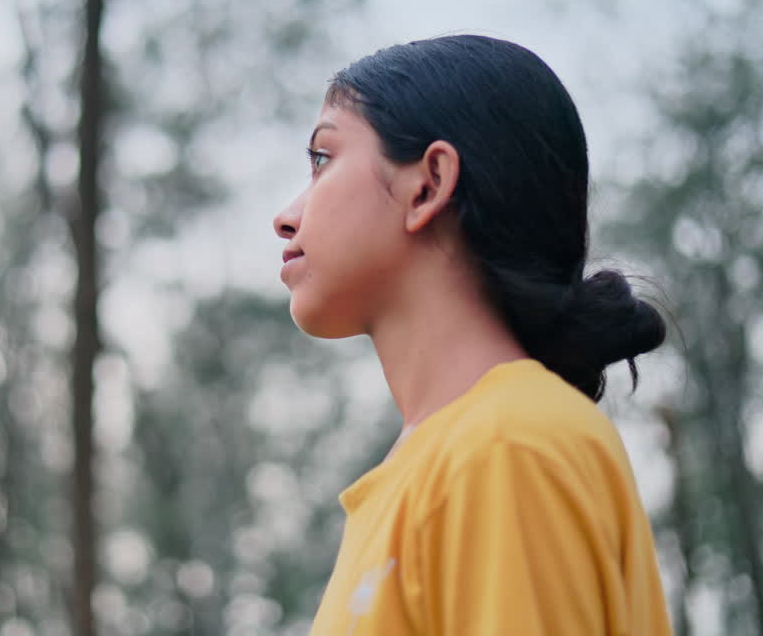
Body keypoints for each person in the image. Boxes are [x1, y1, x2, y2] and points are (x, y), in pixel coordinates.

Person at [273, 35, 674, 635]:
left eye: (323, 158)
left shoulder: (507, 447)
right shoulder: (452, 460)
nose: (285, 216)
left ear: (429, 183)